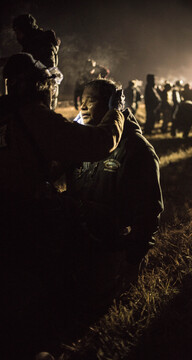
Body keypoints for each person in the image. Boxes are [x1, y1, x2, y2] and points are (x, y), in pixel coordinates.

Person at [0, 53, 124, 360]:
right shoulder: (33, 115)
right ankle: (42, 346)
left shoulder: (4, 114)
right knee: (42, 287)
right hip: (24, 217)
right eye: (46, 83)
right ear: (35, 85)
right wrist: (116, 113)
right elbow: (98, 142)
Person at [68, 78, 163, 308]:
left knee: (98, 310)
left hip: (113, 248)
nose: (82, 108)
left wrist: (132, 261)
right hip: (80, 244)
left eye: (90, 102)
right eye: (81, 101)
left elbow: (149, 212)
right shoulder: (86, 140)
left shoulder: (136, 148)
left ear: (113, 106)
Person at [12, 13, 61, 109]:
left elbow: (46, 72)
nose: (17, 36)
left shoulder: (42, 43)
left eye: (18, 32)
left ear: (25, 30)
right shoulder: (34, 44)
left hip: (41, 98)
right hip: (36, 98)